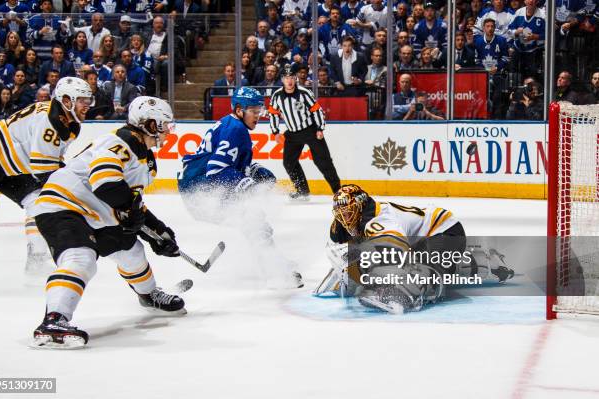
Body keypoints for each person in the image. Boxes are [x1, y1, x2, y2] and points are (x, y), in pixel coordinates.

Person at [30, 96, 183, 349]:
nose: (168, 131)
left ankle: (148, 295)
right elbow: (106, 183)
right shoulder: (119, 142)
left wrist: (157, 232)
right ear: (150, 124)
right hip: (63, 206)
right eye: (164, 125)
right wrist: (132, 215)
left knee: (131, 249)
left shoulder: (144, 157)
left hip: (95, 212)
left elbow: (130, 200)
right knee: (81, 257)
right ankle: (54, 319)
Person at [178, 87, 303, 288]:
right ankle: (274, 270)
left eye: (259, 110)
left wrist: (252, 169)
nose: (258, 116)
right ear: (238, 110)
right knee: (253, 219)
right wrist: (248, 183)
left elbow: (227, 163)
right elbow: (216, 169)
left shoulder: (233, 125)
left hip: (197, 185)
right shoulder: (235, 130)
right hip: (200, 192)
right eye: (253, 111)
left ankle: (272, 261)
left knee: (254, 219)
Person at [0, 77, 93, 274]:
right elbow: (44, 171)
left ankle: (36, 258)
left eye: (88, 101)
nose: (87, 105)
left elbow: (50, 163)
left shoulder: (68, 122)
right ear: (67, 101)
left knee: (39, 201)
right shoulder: (50, 122)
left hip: (13, 165)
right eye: (82, 100)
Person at [314, 184, 465, 313]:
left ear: (360, 206)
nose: (344, 218)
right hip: (424, 238)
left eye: (347, 212)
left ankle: (406, 294)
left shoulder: (380, 220)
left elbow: (397, 252)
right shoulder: (358, 218)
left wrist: (360, 261)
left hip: (445, 231)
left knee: (423, 270)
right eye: (340, 214)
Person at [268, 64, 341, 200]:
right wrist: (276, 131)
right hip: (292, 133)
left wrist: (320, 128)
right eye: (286, 77)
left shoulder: (304, 93)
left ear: (295, 78)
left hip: (310, 131)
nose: (289, 81)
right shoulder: (277, 96)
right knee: (289, 163)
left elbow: (317, 110)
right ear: (282, 79)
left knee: (323, 161)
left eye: (291, 77)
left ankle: (338, 191)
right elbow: (273, 113)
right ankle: (302, 191)